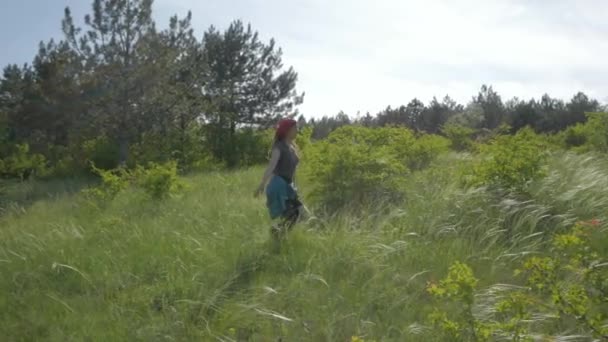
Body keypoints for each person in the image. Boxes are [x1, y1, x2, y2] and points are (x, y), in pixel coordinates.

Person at [255, 118, 304, 238]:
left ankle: (277, 234)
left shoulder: (292, 147)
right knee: (292, 214)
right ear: (287, 130)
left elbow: (293, 171)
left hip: (288, 185)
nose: (297, 130)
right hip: (278, 186)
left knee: (299, 213)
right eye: (295, 128)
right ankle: (277, 236)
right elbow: (271, 166)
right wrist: (262, 185)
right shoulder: (279, 146)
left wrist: (294, 187)